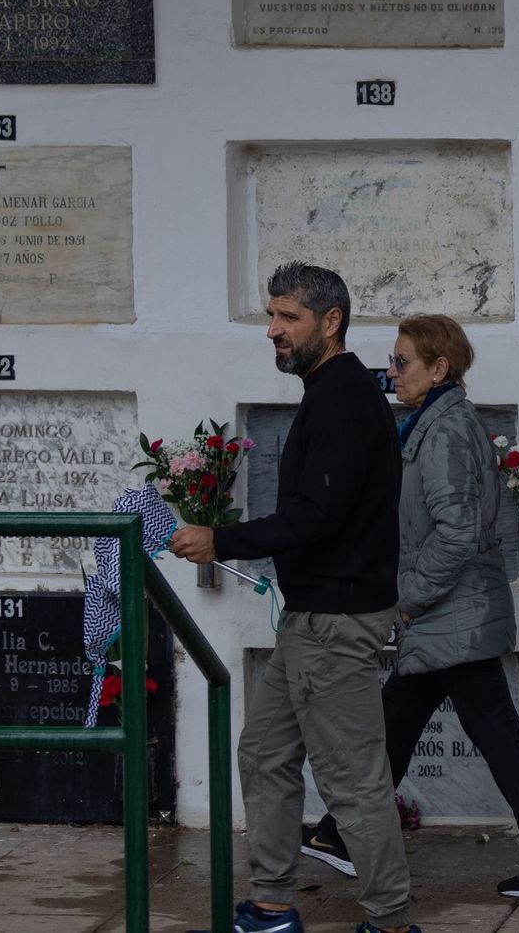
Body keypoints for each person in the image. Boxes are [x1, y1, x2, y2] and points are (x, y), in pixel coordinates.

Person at [303, 314, 519, 900]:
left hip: (452, 615)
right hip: (447, 618)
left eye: (401, 362)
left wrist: (406, 600)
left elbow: (458, 534)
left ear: (439, 368)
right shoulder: (430, 425)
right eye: (391, 361)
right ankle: (341, 834)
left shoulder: (445, 433)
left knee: (495, 734)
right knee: (393, 725)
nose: (391, 372)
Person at [172, 262, 418, 933]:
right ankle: (274, 905)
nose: (273, 330)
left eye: (288, 317)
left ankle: (392, 922)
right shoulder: (330, 390)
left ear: (330, 323)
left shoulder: (342, 397)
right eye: (271, 316)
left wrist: (220, 540)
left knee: (353, 781)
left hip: (335, 622)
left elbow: (317, 515)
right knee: (265, 753)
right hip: (313, 619)